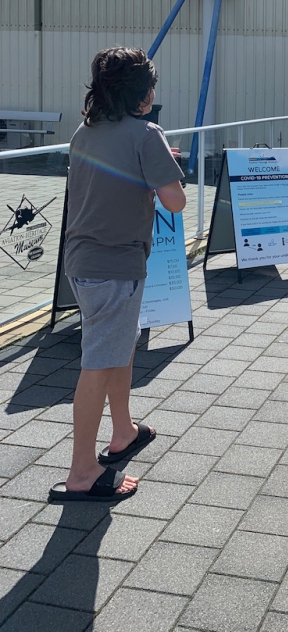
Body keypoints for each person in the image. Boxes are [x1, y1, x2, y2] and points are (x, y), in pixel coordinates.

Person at [49, 47, 186, 502]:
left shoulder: (84, 131)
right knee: (99, 362)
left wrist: (155, 163)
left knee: (117, 345)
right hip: (115, 265)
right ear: (142, 93)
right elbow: (176, 201)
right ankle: (82, 472)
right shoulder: (147, 134)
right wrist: (163, 163)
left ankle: (123, 430)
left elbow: (115, 176)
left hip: (84, 259)